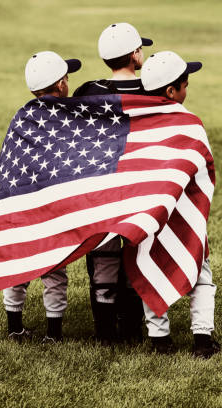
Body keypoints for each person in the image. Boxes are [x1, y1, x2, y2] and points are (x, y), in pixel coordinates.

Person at [73, 22, 153, 346]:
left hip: (101, 192)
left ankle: (105, 332)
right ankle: (133, 329)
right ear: (135, 54)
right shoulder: (155, 89)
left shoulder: (88, 92)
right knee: (136, 255)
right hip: (141, 192)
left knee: (104, 258)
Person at [140, 51, 220, 358]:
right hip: (183, 215)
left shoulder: (136, 124)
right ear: (171, 91)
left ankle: (159, 339)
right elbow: (203, 169)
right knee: (201, 275)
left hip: (148, 215)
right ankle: (202, 339)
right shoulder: (190, 123)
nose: (188, 89)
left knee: (149, 266)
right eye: (185, 84)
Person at [3, 51, 81, 344]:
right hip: (51, 205)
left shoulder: (21, 115)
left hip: (20, 201)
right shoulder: (67, 117)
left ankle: (14, 327)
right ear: (60, 85)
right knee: (54, 268)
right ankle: (53, 334)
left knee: (18, 264)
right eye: (67, 78)